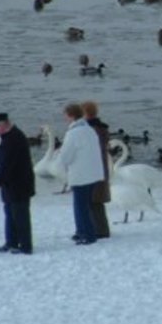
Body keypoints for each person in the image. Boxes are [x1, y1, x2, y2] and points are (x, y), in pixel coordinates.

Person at [0, 113, 35, 254]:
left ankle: (25, 246)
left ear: (2, 125)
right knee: (10, 214)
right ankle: (11, 242)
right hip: (11, 184)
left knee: (20, 215)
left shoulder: (13, 140)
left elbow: (6, 167)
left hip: (19, 184)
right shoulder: (10, 137)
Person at [56, 102, 104, 245]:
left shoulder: (73, 133)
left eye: (65, 115)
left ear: (70, 116)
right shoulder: (89, 130)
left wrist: (60, 158)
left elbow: (66, 157)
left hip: (81, 175)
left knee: (80, 206)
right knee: (86, 204)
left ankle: (87, 234)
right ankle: (81, 231)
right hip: (93, 173)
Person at [81, 100, 111, 239]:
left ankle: (100, 230)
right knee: (95, 201)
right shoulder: (100, 128)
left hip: (94, 170)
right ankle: (98, 228)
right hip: (99, 169)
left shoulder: (93, 130)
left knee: (94, 201)